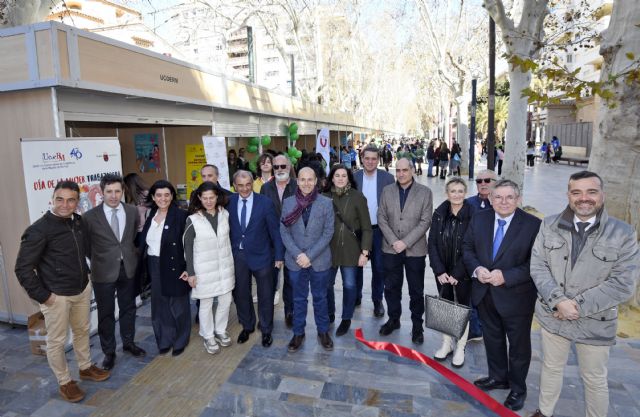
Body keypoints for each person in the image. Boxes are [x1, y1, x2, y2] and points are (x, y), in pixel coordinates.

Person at [529, 171, 640, 417]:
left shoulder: (623, 234)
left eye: (591, 191)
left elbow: (623, 283)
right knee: (550, 368)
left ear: (602, 194)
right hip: (553, 316)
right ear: (568, 195)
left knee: (594, 378)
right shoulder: (549, 225)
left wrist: (574, 306)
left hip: (595, 321)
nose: (584, 198)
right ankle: (544, 412)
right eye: (576, 192)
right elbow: (538, 266)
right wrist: (558, 301)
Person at [15, 181, 110, 403]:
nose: (65, 204)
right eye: (60, 199)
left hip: (81, 289)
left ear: (77, 202)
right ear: (52, 199)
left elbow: (85, 250)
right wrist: (44, 296)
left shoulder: (78, 222)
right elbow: (22, 268)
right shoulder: (39, 229)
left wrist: (87, 276)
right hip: (56, 296)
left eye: (71, 200)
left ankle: (85, 367)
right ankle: (65, 381)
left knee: (82, 330)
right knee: (57, 341)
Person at [462, 179, 542, 411]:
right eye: (498, 197)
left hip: (517, 297)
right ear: (490, 198)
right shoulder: (479, 219)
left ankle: (518, 389)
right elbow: (467, 248)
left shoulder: (533, 225)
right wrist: (477, 269)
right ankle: (498, 377)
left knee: (518, 347)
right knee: (493, 340)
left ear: (518, 199)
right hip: (485, 293)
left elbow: (536, 263)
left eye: (509, 197)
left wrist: (506, 276)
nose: (504, 202)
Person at [83, 174, 146, 371]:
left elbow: (132, 237)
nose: (113, 195)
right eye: (109, 191)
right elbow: (86, 247)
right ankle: (109, 352)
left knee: (128, 308)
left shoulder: (132, 211)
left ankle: (128, 343)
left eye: (117, 191)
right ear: (102, 192)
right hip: (103, 271)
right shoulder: (89, 217)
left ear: (123, 191)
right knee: (106, 313)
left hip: (127, 268)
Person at [378, 158, 433, 345]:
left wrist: (405, 242)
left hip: (415, 251)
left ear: (412, 170)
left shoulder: (425, 192)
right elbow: (381, 218)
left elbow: (425, 221)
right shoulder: (387, 191)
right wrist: (394, 241)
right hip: (390, 249)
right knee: (391, 288)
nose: (401, 173)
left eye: (404, 170)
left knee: (416, 290)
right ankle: (394, 320)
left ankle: (417, 327)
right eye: (398, 170)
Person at [280, 167, 334, 352]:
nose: (306, 183)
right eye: (302, 179)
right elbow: (284, 233)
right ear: (297, 181)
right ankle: (298, 333)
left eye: (310, 179)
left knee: (320, 297)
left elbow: (328, 233)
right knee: (298, 299)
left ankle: (323, 332)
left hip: (318, 260)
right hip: (295, 261)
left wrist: (309, 256)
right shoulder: (287, 203)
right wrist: (298, 255)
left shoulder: (326, 203)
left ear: (316, 180)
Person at [229, 170, 284, 347]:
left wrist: (278, 255)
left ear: (252, 183)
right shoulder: (228, 202)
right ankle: (247, 325)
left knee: (265, 294)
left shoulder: (265, 203)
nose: (244, 189)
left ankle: (266, 330)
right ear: (234, 186)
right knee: (241, 293)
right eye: (240, 185)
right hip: (238, 256)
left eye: (247, 184)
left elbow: (275, 231)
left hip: (263, 256)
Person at [138, 180, 191, 356]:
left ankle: (180, 340)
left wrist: (189, 268)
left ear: (172, 196)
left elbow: (189, 245)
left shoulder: (181, 216)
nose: (163, 198)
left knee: (178, 304)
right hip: (154, 264)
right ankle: (164, 339)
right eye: (159, 195)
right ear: (153, 197)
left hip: (176, 265)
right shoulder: (150, 215)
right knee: (160, 305)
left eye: (167, 194)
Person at [428, 177, 475, 367]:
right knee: (446, 307)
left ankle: (460, 347)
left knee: (462, 308)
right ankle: (446, 344)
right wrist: (439, 270)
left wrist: (457, 273)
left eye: (460, 191)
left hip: (462, 272)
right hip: (442, 272)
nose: (456, 194)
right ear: (447, 194)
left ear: (465, 193)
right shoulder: (439, 213)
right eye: (453, 191)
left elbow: (473, 246)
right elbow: (432, 243)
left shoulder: (473, 215)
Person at [183, 182, 233, 354]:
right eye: (205, 198)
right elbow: (187, 248)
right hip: (203, 269)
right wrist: (191, 273)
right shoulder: (193, 219)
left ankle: (220, 330)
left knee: (226, 301)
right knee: (206, 303)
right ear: (199, 198)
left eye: (212, 197)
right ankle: (208, 335)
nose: (209, 201)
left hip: (224, 267)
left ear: (217, 197)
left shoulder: (224, 214)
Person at [324, 164, 372, 336]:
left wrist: (365, 252)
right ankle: (329, 314)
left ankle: (346, 318)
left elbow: (367, 228)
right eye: (337, 175)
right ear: (332, 178)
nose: (340, 179)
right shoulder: (324, 197)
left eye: (344, 175)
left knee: (350, 286)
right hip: (328, 251)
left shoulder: (358, 197)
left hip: (351, 250)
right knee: (326, 284)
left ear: (349, 178)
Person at [354, 145, 395, 317]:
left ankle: (377, 300)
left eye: (374, 158)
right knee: (356, 266)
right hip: (358, 231)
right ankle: (355, 296)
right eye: (367, 158)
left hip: (379, 231)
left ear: (378, 160)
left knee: (379, 268)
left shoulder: (388, 178)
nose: (370, 162)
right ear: (362, 158)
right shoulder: (353, 177)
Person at [261, 154, 297, 325]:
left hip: (293, 241)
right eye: (276, 167)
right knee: (269, 281)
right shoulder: (265, 188)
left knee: (291, 280)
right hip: (270, 242)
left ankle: (290, 312)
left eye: (283, 166)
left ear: (289, 167)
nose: (280, 169)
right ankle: (266, 317)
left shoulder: (298, 186)